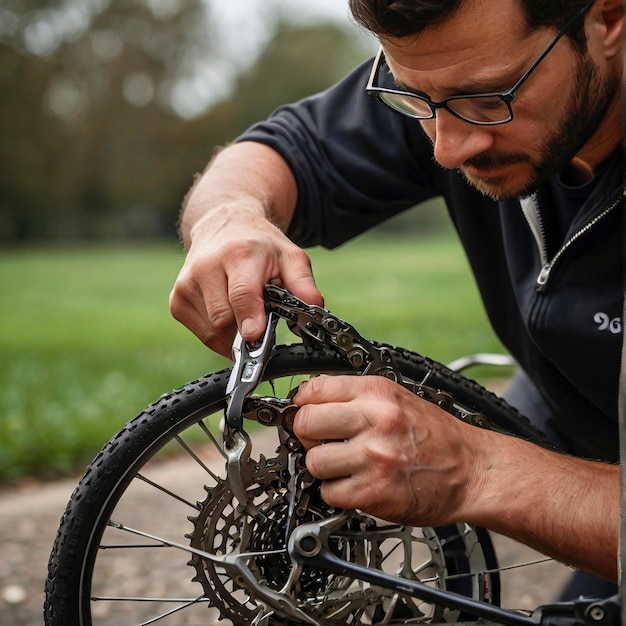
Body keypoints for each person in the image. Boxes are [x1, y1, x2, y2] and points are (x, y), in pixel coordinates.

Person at [169, 0, 624, 587]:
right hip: (571, 409)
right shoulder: (451, 78)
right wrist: (228, 217)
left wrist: (474, 469)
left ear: (608, 19)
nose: (447, 149)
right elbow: (281, 151)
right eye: (415, 100)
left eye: (489, 101)